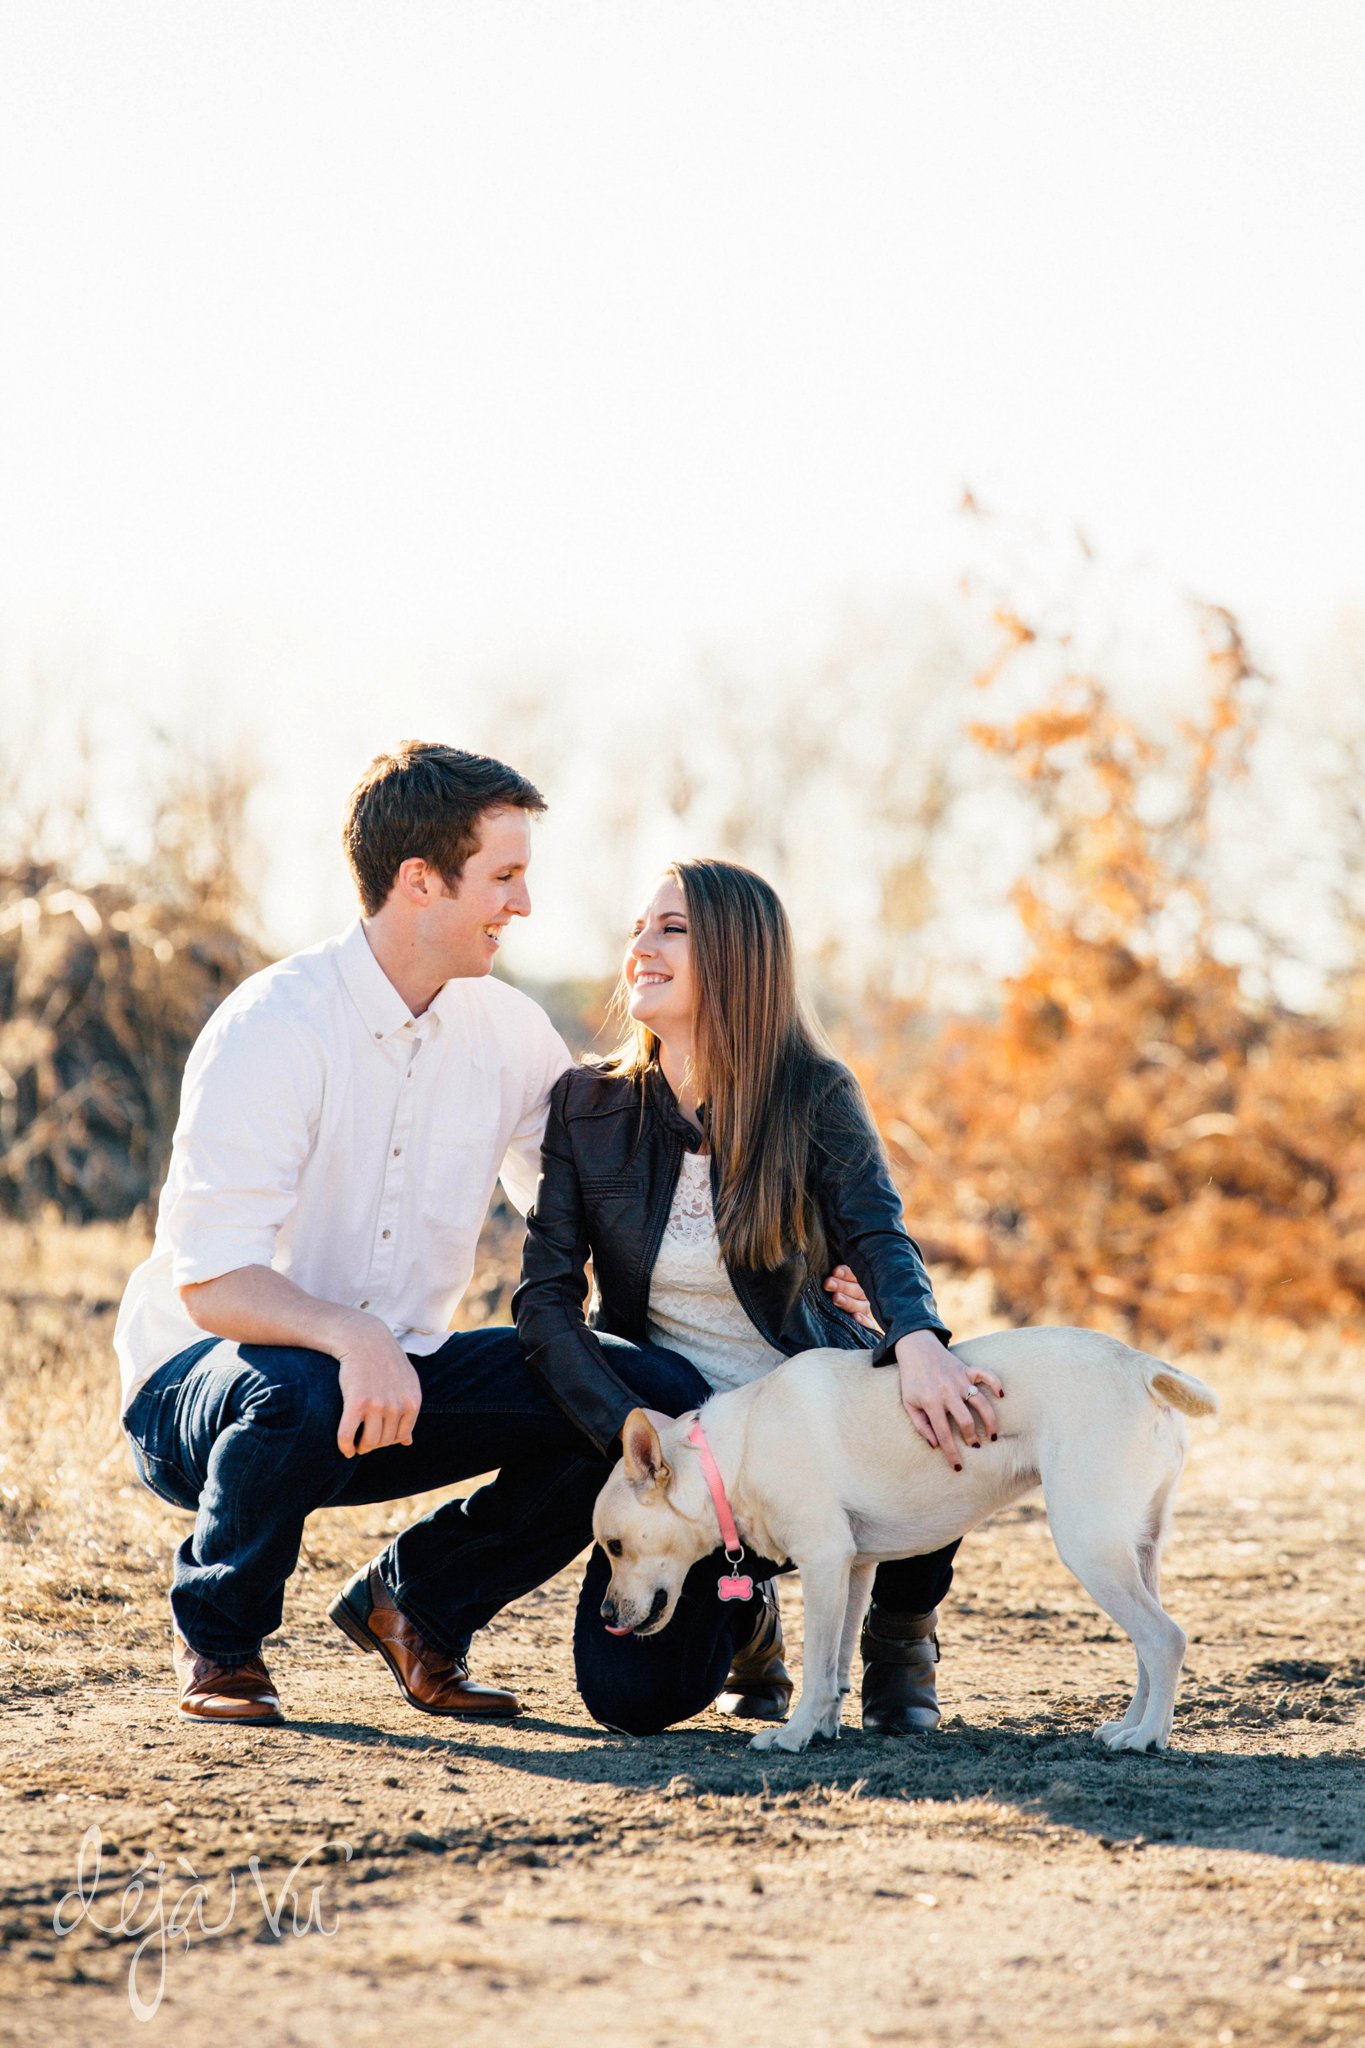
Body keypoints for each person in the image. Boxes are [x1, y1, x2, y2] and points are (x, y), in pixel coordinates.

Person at [115, 741, 876, 1727]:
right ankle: (220, 1637)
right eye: (504, 877)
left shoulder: (509, 1032)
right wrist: (354, 1334)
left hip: (402, 1378)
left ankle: (418, 1604)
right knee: (295, 1380)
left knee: (639, 1387)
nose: (522, 905)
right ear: (420, 881)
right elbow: (213, 1285)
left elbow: (617, 1207)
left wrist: (819, 1272)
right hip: (210, 1390)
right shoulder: (276, 1027)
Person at [513, 857, 1005, 1738]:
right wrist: (637, 1440)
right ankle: (750, 1612)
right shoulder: (587, 1105)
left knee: (930, 1390)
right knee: (634, 1700)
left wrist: (919, 1336)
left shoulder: (813, 1092)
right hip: (676, 1425)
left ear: (738, 957)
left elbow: (878, 1236)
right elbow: (543, 1305)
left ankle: (899, 1634)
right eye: (637, 928)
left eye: (671, 929)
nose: (640, 950)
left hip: (805, 1409)